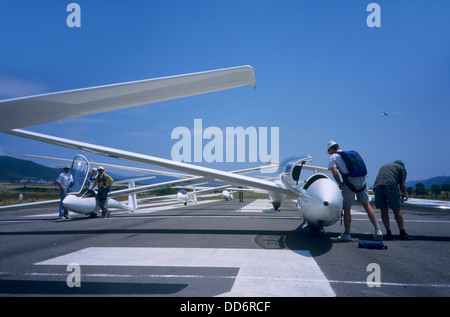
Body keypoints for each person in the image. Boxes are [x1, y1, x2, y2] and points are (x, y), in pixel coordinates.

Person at [327, 141, 383, 241]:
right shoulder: (351, 154)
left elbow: (335, 172)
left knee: (347, 208)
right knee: (367, 205)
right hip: (362, 180)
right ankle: (378, 230)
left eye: (329, 151)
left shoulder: (333, 156)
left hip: (349, 182)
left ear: (331, 149)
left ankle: (347, 234)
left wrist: (340, 184)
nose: (329, 153)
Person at [373, 160, 412, 240]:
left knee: (383, 211)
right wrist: (404, 193)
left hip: (377, 187)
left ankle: (388, 233)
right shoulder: (401, 168)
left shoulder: (384, 166)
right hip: (390, 187)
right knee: (397, 210)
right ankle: (402, 233)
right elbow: (402, 183)